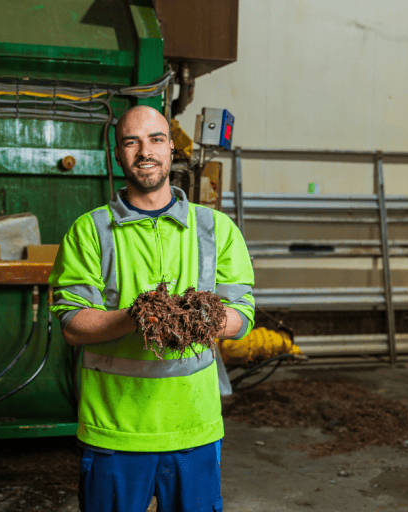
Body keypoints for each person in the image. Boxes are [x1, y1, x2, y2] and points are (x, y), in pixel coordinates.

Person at [48, 105, 255, 512]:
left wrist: (205, 319)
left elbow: (242, 316)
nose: (145, 151)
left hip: (194, 430)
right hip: (115, 432)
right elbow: (73, 324)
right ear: (118, 154)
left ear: (171, 150)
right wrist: (140, 316)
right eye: (131, 142)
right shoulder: (89, 231)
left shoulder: (216, 229)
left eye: (156, 139)